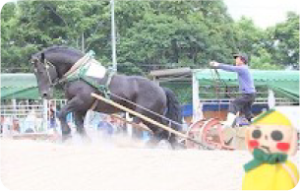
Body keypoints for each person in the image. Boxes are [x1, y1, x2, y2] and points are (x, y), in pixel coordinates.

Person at [209, 53, 256, 128]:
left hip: (248, 94)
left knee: (234, 104)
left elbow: (230, 68)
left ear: (242, 60)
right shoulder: (244, 69)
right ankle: (255, 125)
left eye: (237, 59)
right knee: (247, 112)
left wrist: (218, 65)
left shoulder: (242, 68)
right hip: (250, 94)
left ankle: (229, 124)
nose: (235, 60)